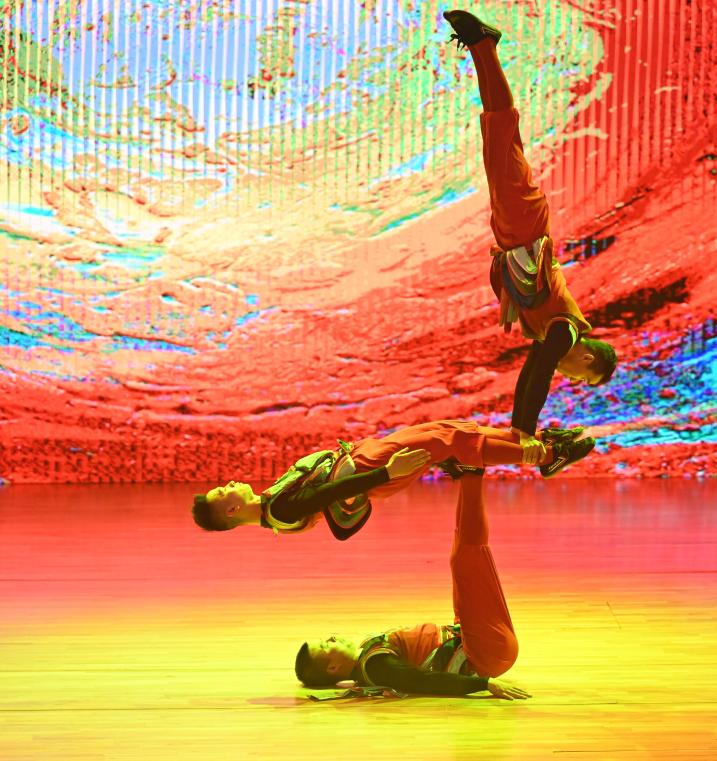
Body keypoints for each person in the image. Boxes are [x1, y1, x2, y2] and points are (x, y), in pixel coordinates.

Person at [444, 9, 618, 464]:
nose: (570, 378)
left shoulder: (551, 332)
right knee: (501, 129)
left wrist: (519, 432)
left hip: (512, 233)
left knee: (497, 131)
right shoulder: (565, 331)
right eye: (580, 378)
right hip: (525, 225)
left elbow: (530, 374)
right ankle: (484, 45)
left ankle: (483, 47)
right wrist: (523, 433)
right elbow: (538, 375)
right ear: (588, 359)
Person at [295, 472, 529, 699]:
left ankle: (466, 476)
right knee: (466, 559)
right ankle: (471, 474)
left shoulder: (368, 656)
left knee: (462, 554)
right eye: (325, 646)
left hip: (474, 642)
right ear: (333, 668)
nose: (332, 638)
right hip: (483, 652)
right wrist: (484, 684)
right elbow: (422, 681)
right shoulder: (377, 666)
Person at [191, 419, 593, 540]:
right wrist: (387, 471)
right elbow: (333, 490)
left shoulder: (271, 503)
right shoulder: (279, 510)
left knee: (450, 430)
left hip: (365, 460)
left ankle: (538, 443)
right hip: (370, 469)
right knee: (449, 439)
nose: (229, 484)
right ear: (231, 510)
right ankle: (545, 455)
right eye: (223, 492)